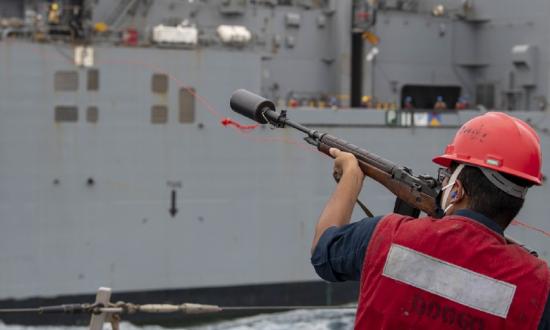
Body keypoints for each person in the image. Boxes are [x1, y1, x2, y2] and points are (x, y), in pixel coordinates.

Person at [310, 112, 549, 329]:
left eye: (446, 176)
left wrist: (351, 177)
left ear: (456, 189)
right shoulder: (540, 284)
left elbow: (323, 252)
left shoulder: (385, 234)